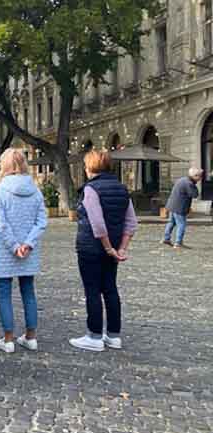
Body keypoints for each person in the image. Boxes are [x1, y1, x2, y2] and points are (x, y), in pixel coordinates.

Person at [70, 150, 137, 352]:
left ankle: (94, 335)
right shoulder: (122, 189)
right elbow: (131, 222)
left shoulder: (91, 189)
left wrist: (108, 248)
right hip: (114, 248)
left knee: (92, 290)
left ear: (90, 167)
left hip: (91, 247)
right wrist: (121, 249)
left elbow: (97, 224)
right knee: (110, 288)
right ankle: (114, 335)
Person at [0, 149, 48, 353]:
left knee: (4, 293)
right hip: (28, 251)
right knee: (28, 292)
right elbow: (41, 221)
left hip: (5, 250)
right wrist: (28, 243)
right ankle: (31, 336)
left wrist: (14, 246)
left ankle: (8, 339)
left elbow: (0, 223)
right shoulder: (36, 190)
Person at [162, 168, 203, 249]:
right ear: (195, 176)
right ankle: (178, 243)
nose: (200, 178)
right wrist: (195, 185)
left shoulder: (182, 179)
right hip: (180, 207)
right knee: (181, 225)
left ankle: (166, 239)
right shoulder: (189, 183)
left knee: (171, 223)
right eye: (200, 176)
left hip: (172, 205)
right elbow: (195, 194)